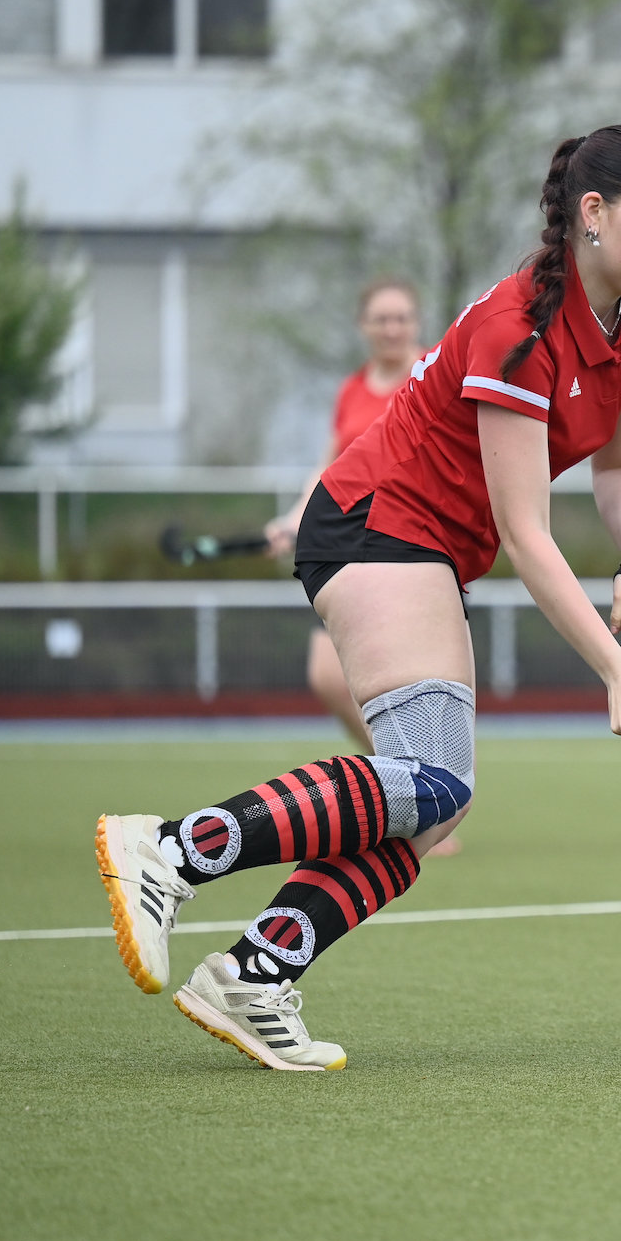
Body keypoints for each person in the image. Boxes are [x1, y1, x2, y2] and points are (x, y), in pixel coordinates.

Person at [93, 125, 621, 1069]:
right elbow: (527, 534)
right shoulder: (516, 331)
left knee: (436, 807)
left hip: (433, 548)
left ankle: (255, 973)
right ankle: (170, 850)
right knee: (435, 780)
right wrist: (617, 671)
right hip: (376, 519)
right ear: (593, 213)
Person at [265, 279, 473, 853]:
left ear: (416, 323)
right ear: (364, 326)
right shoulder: (352, 390)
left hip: (413, 545)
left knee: (424, 695)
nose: (392, 328)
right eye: (381, 318)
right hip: (348, 545)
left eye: (401, 317)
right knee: (326, 676)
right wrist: (295, 517)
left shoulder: (431, 374)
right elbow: (331, 465)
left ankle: (425, 798)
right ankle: (404, 789)